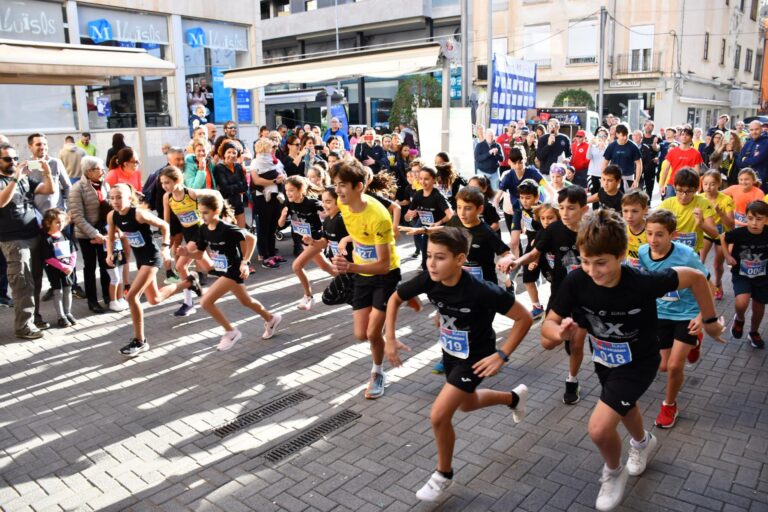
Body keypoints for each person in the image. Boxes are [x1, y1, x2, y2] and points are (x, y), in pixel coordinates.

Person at [540, 209, 725, 511]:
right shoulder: (576, 281)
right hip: (603, 360)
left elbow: (694, 278)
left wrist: (710, 320)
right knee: (625, 408)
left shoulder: (641, 282)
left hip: (639, 362)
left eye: (601, 263)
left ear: (621, 255)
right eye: (586, 261)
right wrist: (558, 332)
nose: (593, 271)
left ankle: (613, 472)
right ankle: (642, 441)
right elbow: (547, 333)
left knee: (599, 428)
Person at [384, 227, 532, 502]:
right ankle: (513, 398)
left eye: (440, 257)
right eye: (429, 256)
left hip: (477, 356)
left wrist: (502, 354)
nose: (431, 263)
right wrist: (389, 338)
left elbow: (524, 318)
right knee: (465, 403)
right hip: (451, 354)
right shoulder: (429, 279)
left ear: (460, 259)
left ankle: (444, 474)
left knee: (439, 415)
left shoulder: (481, 290)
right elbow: (395, 298)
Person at [499, 186, 589, 405]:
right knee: (547, 343)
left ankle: (572, 379)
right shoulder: (553, 230)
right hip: (560, 291)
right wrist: (516, 262)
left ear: (584, 209)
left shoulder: (592, 230)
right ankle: (564, 336)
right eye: (562, 207)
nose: (565, 212)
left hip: (586, 296)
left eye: (571, 208)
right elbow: (534, 254)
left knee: (577, 345)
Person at [329, 158, 402, 399]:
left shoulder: (379, 216)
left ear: (359, 186)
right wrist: (348, 240)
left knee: (372, 334)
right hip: (361, 273)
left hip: (385, 274)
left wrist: (348, 266)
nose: (337, 190)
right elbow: (358, 231)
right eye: (335, 184)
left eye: (342, 185)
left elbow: (382, 264)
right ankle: (391, 314)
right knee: (361, 334)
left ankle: (378, 372)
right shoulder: (343, 203)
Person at [638, 210, 714, 429]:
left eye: (659, 234)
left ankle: (669, 405)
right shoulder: (644, 252)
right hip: (660, 315)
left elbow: (707, 284)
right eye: (649, 233)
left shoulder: (687, 255)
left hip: (687, 315)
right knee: (662, 366)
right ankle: (694, 343)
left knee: (674, 366)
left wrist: (703, 316)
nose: (653, 240)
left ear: (673, 234)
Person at [106, 184, 201, 357]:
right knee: (154, 299)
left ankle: (140, 341)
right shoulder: (112, 216)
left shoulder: (139, 214)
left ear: (129, 197)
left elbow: (164, 225)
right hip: (140, 260)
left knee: (132, 296)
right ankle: (189, 281)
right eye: (112, 198)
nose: (115, 201)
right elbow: (111, 236)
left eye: (119, 197)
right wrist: (110, 253)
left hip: (152, 258)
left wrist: (165, 248)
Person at [179, 193, 282, 350]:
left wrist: (245, 262)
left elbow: (251, 239)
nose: (202, 216)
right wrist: (187, 253)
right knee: (245, 301)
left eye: (205, 212)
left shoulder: (227, 228)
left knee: (205, 302)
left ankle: (231, 332)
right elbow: (199, 254)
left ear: (217, 210)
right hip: (222, 270)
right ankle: (271, 318)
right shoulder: (203, 229)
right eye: (200, 213)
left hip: (233, 271)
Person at [0, 143, 54, 338]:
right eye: (8, 159)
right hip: (13, 240)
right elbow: (2, 202)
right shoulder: (6, 180)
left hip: (33, 235)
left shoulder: (24, 179)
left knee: (36, 281)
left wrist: (47, 172)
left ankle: (33, 320)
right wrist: (15, 177)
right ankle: (23, 327)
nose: (13, 162)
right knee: (22, 284)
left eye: (15, 158)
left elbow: (49, 189)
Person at [160, 166, 215, 317]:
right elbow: (166, 222)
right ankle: (226, 278)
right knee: (210, 268)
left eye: (167, 182)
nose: (165, 186)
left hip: (199, 232)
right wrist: (166, 243)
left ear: (178, 180)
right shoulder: (167, 197)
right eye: (162, 183)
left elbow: (213, 193)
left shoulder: (191, 193)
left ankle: (189, 302)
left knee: (180, 266)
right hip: (187, 232)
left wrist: (219, 214)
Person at [67, 156, 112, 314]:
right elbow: (77, 217)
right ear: (89, 171)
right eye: (99, 169)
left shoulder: (104, 184)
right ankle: (92, 301)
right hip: (86, 235)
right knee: (90, 267)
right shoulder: (77, 188)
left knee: (106, 264)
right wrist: (94, 233)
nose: (102, 172)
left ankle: (108, 296)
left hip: (103, 232)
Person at [277, 176, 330, 310]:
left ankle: (308, 296)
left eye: (292, 190)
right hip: (303, 241)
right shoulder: (289, 203)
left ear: (301, 190)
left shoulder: (311, 203)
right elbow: (280, 224)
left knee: (297, 266)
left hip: (316, 240)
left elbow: (327, 213)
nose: (288, 193)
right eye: (286, 190)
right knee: (325, 267)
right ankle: (350, 282)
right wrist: (283, 217)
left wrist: (325, 212)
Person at [721, 200, 768, 348]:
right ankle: (739, 319)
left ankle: (753, 332)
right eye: (750, 218)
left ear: (766, 219)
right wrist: (727, 255)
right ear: (746, 217)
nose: (754, 223)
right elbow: (723, 237)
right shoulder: (739, 233)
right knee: (742, 302)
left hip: (763, 277)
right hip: (742, 274)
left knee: (759, 307)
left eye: (759, 219)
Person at [404, 165, 453, 271]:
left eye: (426, 179)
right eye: (421, 178)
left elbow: (451, 216)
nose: (423, 182)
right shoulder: (418, 195)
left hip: (440, 233)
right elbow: (407, 217)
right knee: (426, 260)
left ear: (433, 180)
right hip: (427, 231)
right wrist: (409, 216)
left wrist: (439, 222)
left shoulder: (438, 196)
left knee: (441, 261)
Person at [658, 167, 719, 254]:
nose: (684, 195)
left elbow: (715, 234)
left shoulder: (703, 203)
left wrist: (701, 224)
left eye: (689, 191)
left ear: (696, 189)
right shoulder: (667, 204)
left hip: (691, 255)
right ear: (674, 186)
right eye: (680, 190)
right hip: (670, 253)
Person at [509, 179, 545, 319]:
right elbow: (516, 225)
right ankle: (537, 307)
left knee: (555, 280)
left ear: (537, 197)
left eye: (528, 198)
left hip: (545, 248)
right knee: (527, 279)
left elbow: (546, 234)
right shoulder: (520, 207)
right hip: (530, 246)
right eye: (522, 197)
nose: (524, 201)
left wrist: (536, 258)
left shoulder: (542, 211)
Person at [250, 138, 286, 267]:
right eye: (272, 147)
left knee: (272, 227)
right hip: (262, 198)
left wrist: (282, 178)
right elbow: (256, 180)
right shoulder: (255, 162)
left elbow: (283, 174)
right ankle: (265, 257)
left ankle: (272, 253)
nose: (274, 149)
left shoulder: (275, 161)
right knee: (264, 228)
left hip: (276, 196)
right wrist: (275, 181)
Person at [700, 170, 734, 300]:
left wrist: (720, 213)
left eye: (712, 184)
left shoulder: (726, 199)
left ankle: (718, 284)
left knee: (717, 265)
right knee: (700, 261)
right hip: (706, 233)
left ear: (719, 184)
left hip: (722, 235)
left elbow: (731, 225)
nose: (708, 187)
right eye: (706, 184)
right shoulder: (700, 198)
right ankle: (703, 285)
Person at [41, 208, 77, 328]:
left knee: (68, 290)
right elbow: (48, 258)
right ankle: (61, 316)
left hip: (68, 270)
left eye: (62, 221)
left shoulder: (65, 235)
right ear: (48, 223)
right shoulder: (46, 239)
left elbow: (73, 251)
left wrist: (70, 266)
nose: (60, 224)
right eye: (57, 222)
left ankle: (68, 313)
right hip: (54, 270)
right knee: (58, 292)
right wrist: (63, 267)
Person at [659, 127, 704, 198]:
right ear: (679, 137)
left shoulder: (696, 153)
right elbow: (665, 170)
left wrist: (696, 187)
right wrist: (662, 185)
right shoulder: (672, 152)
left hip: (688, 185)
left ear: (691, 137)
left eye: (687, 135)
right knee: (669, 207)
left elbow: (696, 173)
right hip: (672, 184)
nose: (684, 136)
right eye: (682, 134)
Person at [213, 141, 248, 228]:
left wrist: (234, 187)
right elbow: (225, 188)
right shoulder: (219, 168)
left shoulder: (238, 167)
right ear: (224, 154)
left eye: (234, 153)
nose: (231, 155)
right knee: (229, 235)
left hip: (238, 204)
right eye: (229, 152)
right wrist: (239, 185)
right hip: (226, 206)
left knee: (242, 233)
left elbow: (245, 187)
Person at [602, 124, 641, 191]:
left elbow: (639, 164)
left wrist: (636, 180)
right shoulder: (612, 146)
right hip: (613, 177)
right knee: (614, 198)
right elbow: (605, 162)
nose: (625, 138)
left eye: (627, 135)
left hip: (628, 177)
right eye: (623, 135)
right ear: (617, 135)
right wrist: (603, 178)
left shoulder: (633, 147)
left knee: (627, 199)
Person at [621, 189, 649, 271]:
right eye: (625, 211)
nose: (629, 216)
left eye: (635, 211)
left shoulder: (651, 231)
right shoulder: (622, 229)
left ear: (645, 210)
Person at [640, 122, 660, 197]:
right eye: (646, 125)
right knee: (639, 184)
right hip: (640, 163)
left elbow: (659, 149)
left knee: (649, 185)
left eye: (650, 125)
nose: (648, 127)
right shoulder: (640, 136)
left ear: (653, 127)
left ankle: (648, 201)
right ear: (644, 126)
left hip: (651, 164)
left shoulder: (656, 137)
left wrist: (657, 157)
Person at [587, 128, 609, 195]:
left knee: (604, 194)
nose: (601, 138)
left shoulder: (609, 147)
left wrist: (604, 147)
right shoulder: (593, 147)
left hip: (604, 174)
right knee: (594, 194)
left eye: (603, 136)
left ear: (607, 137)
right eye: (599, 136)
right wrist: (590, 145)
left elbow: (609, 159)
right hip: (592, 174)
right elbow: (588, 157)